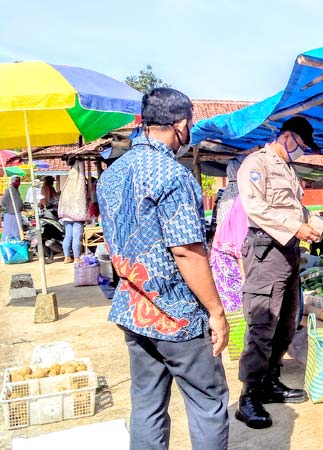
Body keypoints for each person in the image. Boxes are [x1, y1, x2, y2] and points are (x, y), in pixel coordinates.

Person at [97, 88, 230, 450]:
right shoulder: (174, 176)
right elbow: (187, 253)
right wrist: (216, 312)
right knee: (208, 402)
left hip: (133, 308)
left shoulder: (111, 173)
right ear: (182, 125)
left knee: (147, 404)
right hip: (177, 314)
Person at [236, 115, 322, 428]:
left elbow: (294, 210)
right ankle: (249, 396)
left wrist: (314, 223)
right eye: (300, 145)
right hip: (265, 251)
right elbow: (256, 208)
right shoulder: (256, 164)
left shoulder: (288, 168)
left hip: (288, 253)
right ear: (286, 137)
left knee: (286, 322)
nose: (301, 151)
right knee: (262, 325)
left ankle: (271, 381)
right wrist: (295, 227)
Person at [211, 196, 248, 313]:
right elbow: (240, 245)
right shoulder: (245, 201)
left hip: (234, 253)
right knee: (237, 309)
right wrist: (245, 278)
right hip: (228, 259)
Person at [58, 159, 89, 263]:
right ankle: (76, 257)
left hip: (66, 215)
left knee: (68, 236)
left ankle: (67, 257)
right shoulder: (79, 183)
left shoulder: (68, 182)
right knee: (76, 237)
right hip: (77, 214)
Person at [1, 176, 23, 241]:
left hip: (17, 213)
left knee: (17, 231)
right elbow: (3, 201)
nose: (18, 182)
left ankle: (16, 243)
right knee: (8, 232)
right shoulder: (9, 190)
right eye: (16, 181)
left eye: (19, 181)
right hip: (10, 214)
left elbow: (18, 201)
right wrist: (8, 208)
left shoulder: (16, 190)